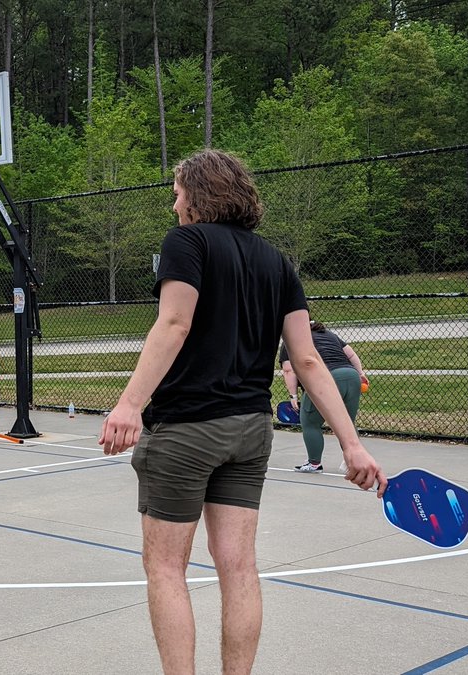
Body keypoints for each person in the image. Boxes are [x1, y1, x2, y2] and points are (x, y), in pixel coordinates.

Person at [98, 149, 386, 675]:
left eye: (178, 192)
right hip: (250, 432)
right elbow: (306, 360)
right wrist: (352, 443)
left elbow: (174, 324)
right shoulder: (277, 263)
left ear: (199, 194)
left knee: (165, 568)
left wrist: (128, 404)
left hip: (186, 429)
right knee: (239, 568)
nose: (174, 203)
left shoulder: (186, 243)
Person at [280, 320, 370, 473]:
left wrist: (293, 395)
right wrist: (360, 373)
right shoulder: (329, 334)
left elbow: (289, 371)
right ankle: (354, 463)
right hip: (351, 376)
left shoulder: (291, 341)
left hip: (324, 378)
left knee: (310, 421)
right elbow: (352, 354)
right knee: (347, 422)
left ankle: (314, 463)